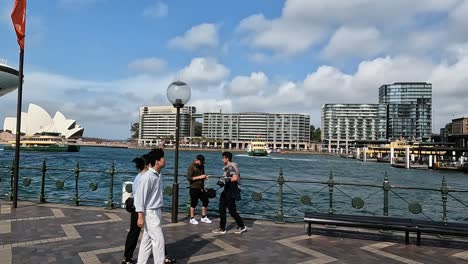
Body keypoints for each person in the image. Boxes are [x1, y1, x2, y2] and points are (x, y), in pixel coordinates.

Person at [134, 148, 166, 264]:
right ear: (157, 161)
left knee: (146, 241)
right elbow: (139, 197)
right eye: (163, 158)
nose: (165, 160)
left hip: (156, 211)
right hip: (150, 212)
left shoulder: (158, 174)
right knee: (158, 241)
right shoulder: (147, 177)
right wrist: (140, 216)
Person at [212, 151, 247, 234]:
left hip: (231, 190)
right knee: (222, 208)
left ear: (227, 158)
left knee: (232, 210)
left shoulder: (231, 167)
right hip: (227, 190)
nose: (222, 160)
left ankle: (242, 226)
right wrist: (223, 180)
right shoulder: (228, 167)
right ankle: (222, 228)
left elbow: (235, 178)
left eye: (223, 158)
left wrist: (225, 180)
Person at [121, 156, 148, 264]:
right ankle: (127, 257)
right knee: (153, 232)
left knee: (135, 233)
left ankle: (127, 257)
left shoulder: (138, 176)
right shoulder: (143, 178)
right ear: (146, 165)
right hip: (139, 208)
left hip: (137, 208)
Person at [187, 154, 212, 225]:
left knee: (205, 200)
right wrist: (200, 177)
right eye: (201, 162)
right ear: (197, 160)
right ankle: (192, 218)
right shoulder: (191, 166)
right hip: (193, 187)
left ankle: (203, 217)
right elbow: (189, 178)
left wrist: (205, 177)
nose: (202, 164)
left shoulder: (202, 166)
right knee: (194, 203)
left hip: (201, 187)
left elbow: (202, 175)